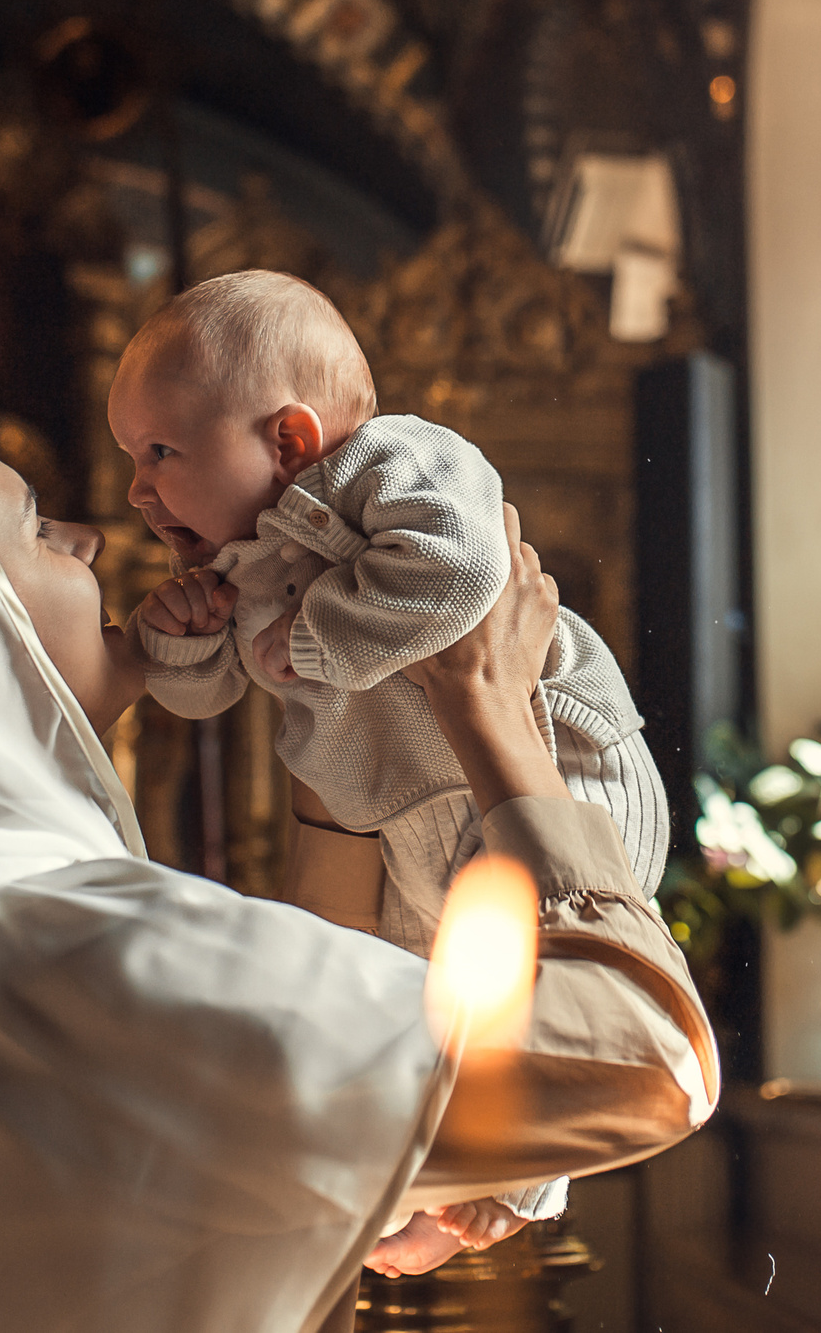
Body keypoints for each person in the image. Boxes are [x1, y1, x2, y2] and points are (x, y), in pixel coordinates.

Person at [0, 391, 716, 1333]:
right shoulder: (56, 953)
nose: (96, 541)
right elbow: (645, 1064)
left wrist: (338, 740)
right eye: (41, 532)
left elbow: (294, 1068)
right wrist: (492, 716)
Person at [107, 270, 673, 1260]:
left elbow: (459, 570)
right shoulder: (238, 563)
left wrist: (314, 643)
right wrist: (187, 640)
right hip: (405, 812)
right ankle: (429, 1188)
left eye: (161, 452)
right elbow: (206, 698)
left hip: (556, 754)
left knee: (552, 970)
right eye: (131, 458)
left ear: (286, 440)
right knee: (432, 1004)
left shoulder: (390, 463)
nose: (137, 490)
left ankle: (529, 1181)